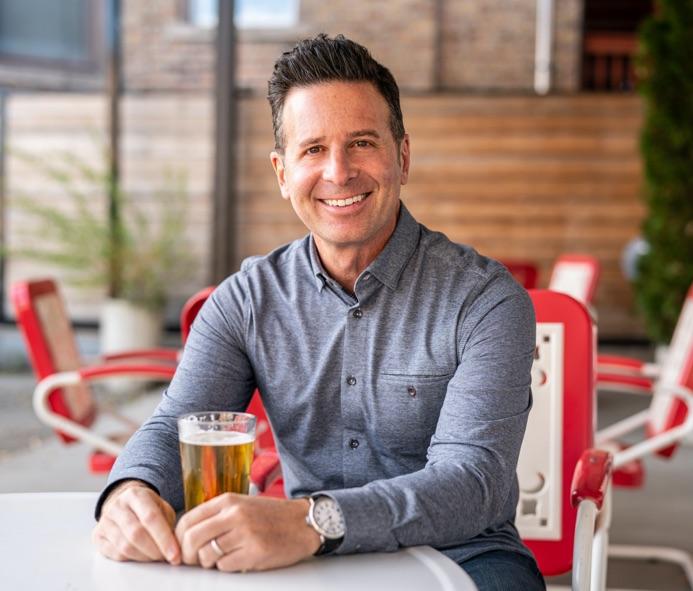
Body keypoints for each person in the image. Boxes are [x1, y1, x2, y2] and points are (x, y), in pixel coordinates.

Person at [92, 34, 545, 590]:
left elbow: (471, 481)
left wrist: (314, 521)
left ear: (402, 156)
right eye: (313, 150)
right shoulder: (244, 299)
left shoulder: (486, 299)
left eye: (361, 143)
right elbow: (175, 424)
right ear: (283, 173)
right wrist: (129, 491)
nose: (338, 172)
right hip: (303, 560)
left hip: (464, 556)